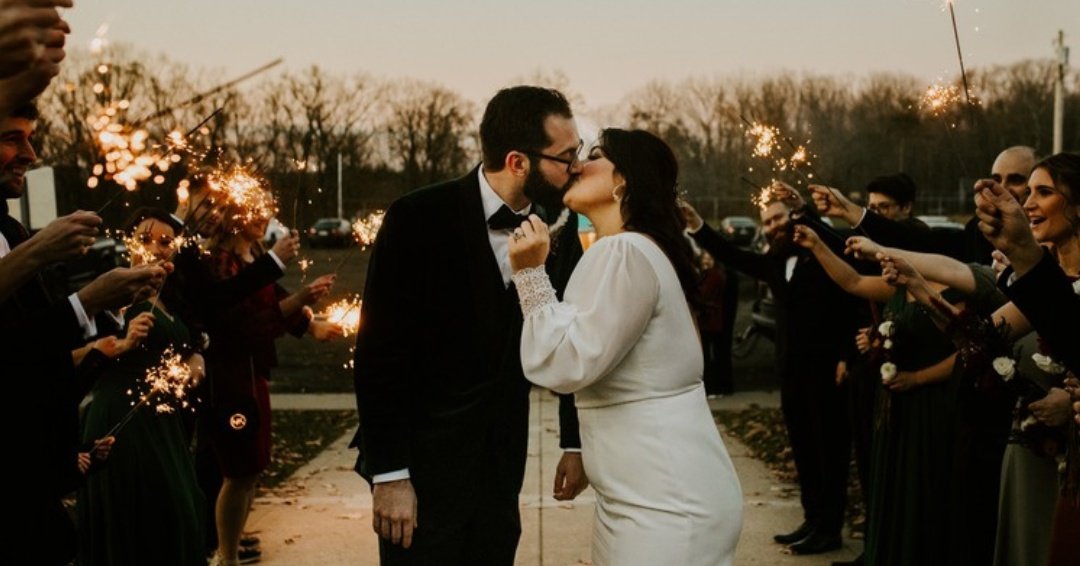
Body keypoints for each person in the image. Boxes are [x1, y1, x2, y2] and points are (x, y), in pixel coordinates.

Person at [352, 86, 586, 565]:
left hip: (501, 470)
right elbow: (379, 353)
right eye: (566, 157)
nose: (577, 167)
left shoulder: (559, 230)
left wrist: (574, 441)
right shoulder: (417, 217)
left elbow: (569, 334)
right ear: (518, 162)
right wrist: (390, 474)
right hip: (421, 470)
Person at [507, 128, 742, 565]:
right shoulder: (630, 250)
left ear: (625, 179)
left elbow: (563, 364)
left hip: (667, 504)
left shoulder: (625, 252)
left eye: (595, 155)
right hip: (639, 497)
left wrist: (530, 276)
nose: (577, 164)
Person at [682, 184, 856, 555]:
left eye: (779, 218)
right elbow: (732, 254)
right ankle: (812, 519)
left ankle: (830, 528)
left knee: (830, 449)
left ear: (794, 218)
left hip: (828, 369)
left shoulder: (826, 254)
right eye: (768, 222)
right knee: (804, 447)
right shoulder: (775, 263)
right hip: (791, 370)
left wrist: (846, 355)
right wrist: (697, 225)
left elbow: (849, 304)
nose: (773, 226)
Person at [203, 199, 340, 566]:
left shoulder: (254, 255)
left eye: (265, 209)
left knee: (254, 466)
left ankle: (233, 540)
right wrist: (302, 298)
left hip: (255, 374)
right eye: (252, 209)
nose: (262, 216)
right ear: (232, 215)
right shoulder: (221, 262)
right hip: (230, 378)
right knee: (238, 469)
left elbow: (273, 297)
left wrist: (311, 324)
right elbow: (245, 323)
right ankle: (225, 555)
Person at [78, 208, 208, 565]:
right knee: (141, 516)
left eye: (165, 242)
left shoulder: (169, 295)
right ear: (129, 243)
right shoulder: (113, 292)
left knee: (181, 510)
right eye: (145, 239)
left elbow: (189, 340)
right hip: (121, 418)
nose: (154, 248)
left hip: (164, 421)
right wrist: (121, 344)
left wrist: (196, 357)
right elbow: (67, 355)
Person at [812, 146, 1037, 264]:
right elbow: (919, 241)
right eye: (996, 179)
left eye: (1016, 180)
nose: (1003, 188)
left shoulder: (1047, 239)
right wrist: (847, 211)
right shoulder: (978, 231)